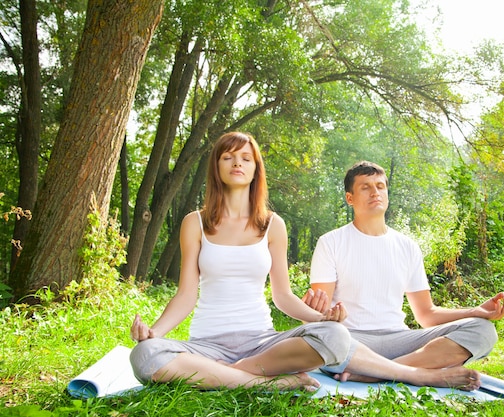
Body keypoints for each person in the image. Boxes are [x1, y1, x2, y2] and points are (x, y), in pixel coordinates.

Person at [130, 132, 352, 392]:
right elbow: (186, 295)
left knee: (336, 337)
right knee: (144, 355)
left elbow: (282, 296)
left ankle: (227, 375)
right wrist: (154, 333)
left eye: (246, 158)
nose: (237, 163)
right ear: (216, 167)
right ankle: (268, 384)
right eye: (228, 157)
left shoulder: (273, 225)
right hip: (206, 346)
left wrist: (322, 317)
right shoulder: (195, 223)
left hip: (262, 346)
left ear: (256, 169)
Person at [303, 160, 504, 391]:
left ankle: (376, 374)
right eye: (365, 187)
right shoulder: (331, 242)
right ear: (349, 198)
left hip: (399, 341)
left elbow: (426, 314)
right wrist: (326, 316)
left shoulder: (407, 246)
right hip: (351, 341)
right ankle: (413, 373)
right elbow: (319, 315)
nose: (375, 192)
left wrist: (475, 312)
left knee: (482, 330)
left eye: (380, 186)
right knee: (323, 338)